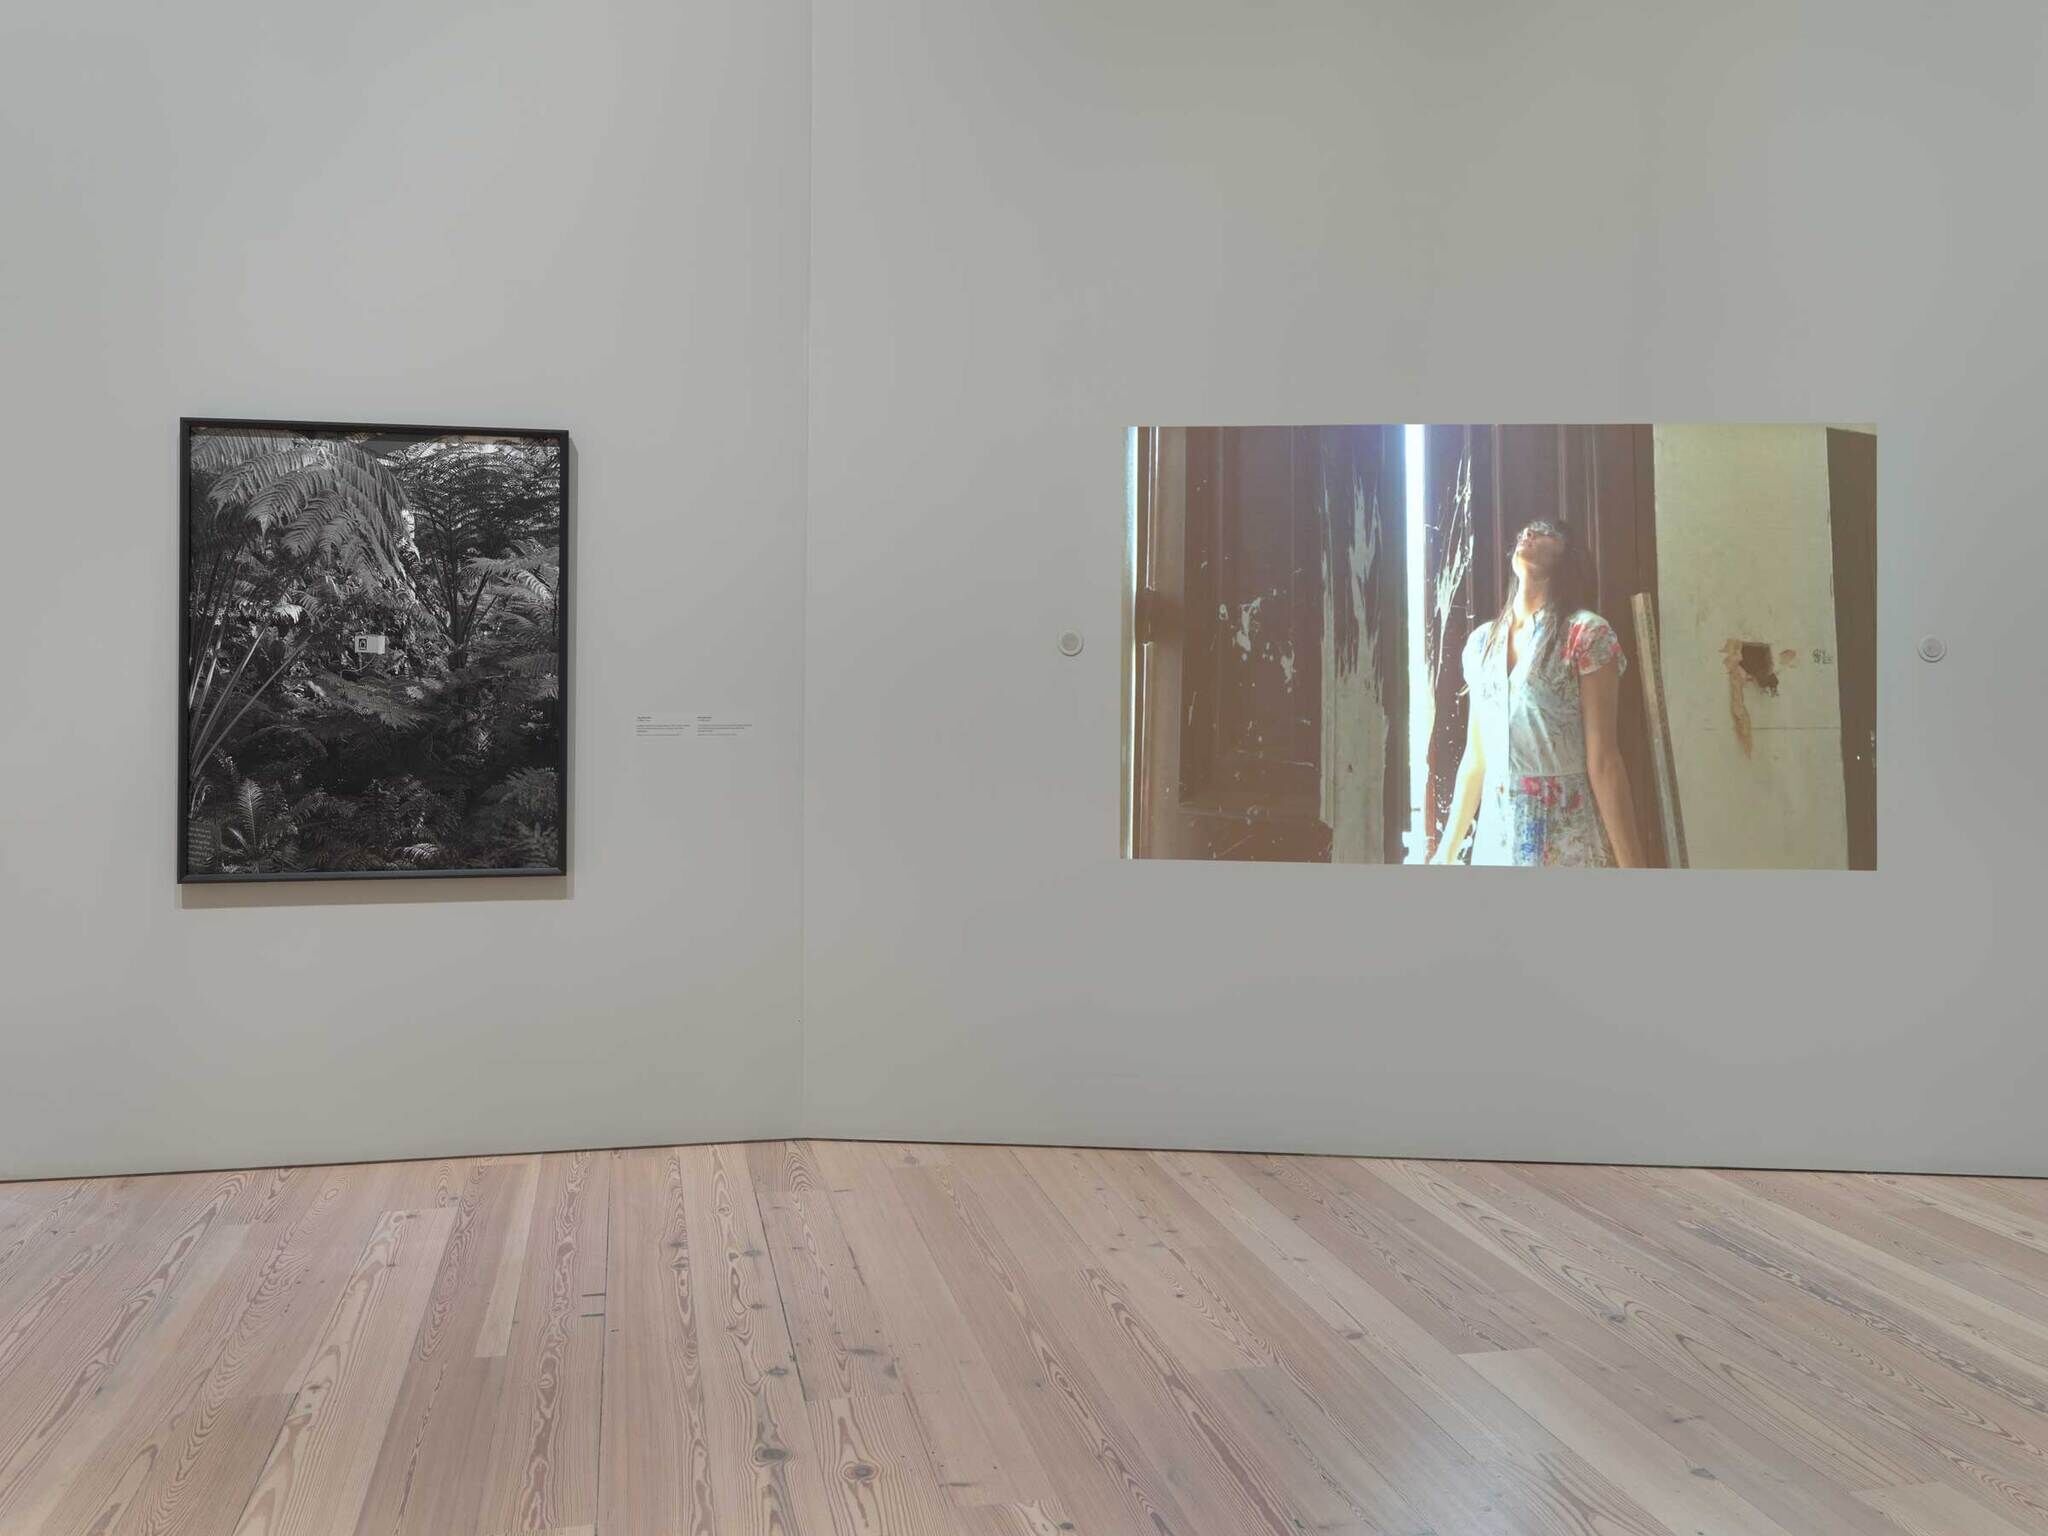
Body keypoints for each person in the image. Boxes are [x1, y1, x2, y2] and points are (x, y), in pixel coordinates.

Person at [1432, 519, 1646, 867]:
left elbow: (1604, 760)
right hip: (1497, 841)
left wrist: (1635, 867)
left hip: (1568, 838)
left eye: (1545, 532)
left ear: (1568, 557)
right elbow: (1476, 760)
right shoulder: (1482, 643)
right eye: (1525, 531)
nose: (1528, 534)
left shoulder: (1586, 634)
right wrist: (1446, 853)